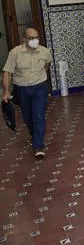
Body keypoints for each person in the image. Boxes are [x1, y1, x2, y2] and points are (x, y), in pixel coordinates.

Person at [2, 28, 52, 158]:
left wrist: (40, 77)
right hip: (22, 88)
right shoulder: (15, 53)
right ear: (24, 39)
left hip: (40, 87)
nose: (35, 40)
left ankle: (38, 146)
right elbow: (7, 72)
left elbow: (47, 65)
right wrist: (6, 91)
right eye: (31, 38)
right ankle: (34, 134)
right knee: (28, 117)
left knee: (39, 116)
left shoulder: (45, 51)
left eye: (36, 37)